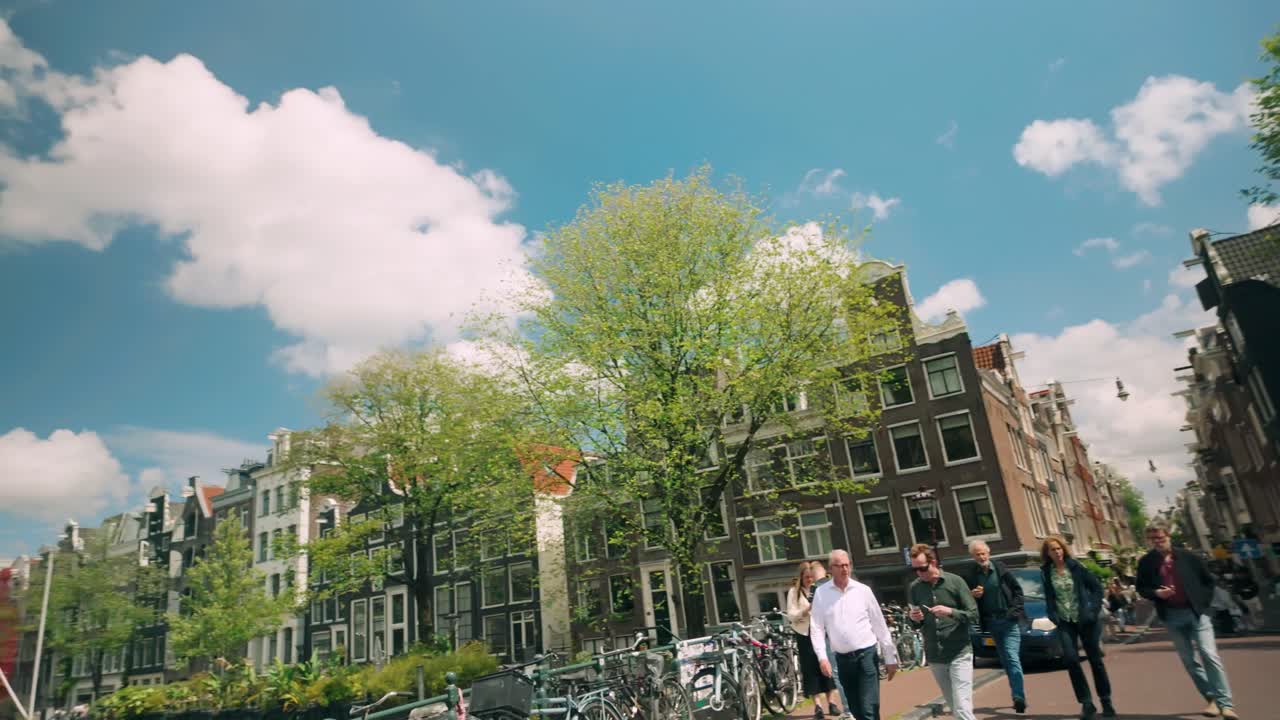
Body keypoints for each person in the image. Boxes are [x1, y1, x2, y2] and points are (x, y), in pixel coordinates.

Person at [1137, 523, 1237, 719]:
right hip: (1172, 616)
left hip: (1196, 614)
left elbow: (1208, 581)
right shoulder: (1146, 562)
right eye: (1153, 539)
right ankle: (1211, 698)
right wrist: (1156, 592)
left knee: (1209, 654)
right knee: (1189, 661)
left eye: (1161, 538)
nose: (1157, 542)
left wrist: (1203, 605)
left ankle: (1226, 704)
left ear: (1168, 536)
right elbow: (1142, 587)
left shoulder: (1189, 557)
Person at [809, 549, 898, 720]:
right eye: (839, 566)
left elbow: (879, 624)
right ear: (830, 569)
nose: (844, 569)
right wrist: (822, 657)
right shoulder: (821, 594)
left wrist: (890, 657)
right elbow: (817, 628)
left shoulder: (862, 590)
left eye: (846, 565)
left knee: (869, 709)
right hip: (842, 659)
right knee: (856, 709)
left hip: (866, 656)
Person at [1041, 536, 1113, 719]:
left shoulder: (1076, 567)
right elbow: (1050, 597)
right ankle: (1086, 703)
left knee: (1095, 660)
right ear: (1047, 553)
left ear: (1063, 549)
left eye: (1058, 548)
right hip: (1065, 621)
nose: (1057, 552)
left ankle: (1106, 701)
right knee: (1071, 660)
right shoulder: (1046, 572)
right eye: (1052, 550)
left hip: (1085, 620)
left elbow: (1097, 588)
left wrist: (1092, 610)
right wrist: (1052, 614)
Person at [908, 543, 978, 720]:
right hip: (935, 655)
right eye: (915, 569)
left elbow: (974, 615)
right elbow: (916, 624)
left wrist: (951, 612)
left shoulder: (955, 582)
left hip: (959, 652)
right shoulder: (914, 588)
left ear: (933, 562)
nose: (919, 573)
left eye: (922, 568)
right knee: (955, 706)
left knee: (962, 707)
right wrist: (914, 619)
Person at [958, 540, 1027, 714]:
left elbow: (1018, 591)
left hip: (1009, 621)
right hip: (991, 623)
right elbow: (964, 600)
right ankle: (1016, 694)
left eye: (983, 553)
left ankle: (1019, 697)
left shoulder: (1001, 569)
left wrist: (1014, 612)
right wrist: (973, 595)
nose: (981, 557)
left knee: (1012, 658)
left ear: (988, 553)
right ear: (972, 556)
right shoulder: (971, 575)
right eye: (977, 554)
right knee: (1005, 660)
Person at [787, 561, 845, 719]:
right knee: (810, 669)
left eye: (812, 577)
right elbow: (791, 616)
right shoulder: (794, 593)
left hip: (823, 632)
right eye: (806, 577)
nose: (809, 580)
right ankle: (818, 707)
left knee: (827, 666)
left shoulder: (821, 589)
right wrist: (806, 610)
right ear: (800, 577)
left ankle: (832, 703)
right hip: (805, 634)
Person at [811, 560, 852, 717]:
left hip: (829, 636)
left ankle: (849, 709)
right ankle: (857, 707)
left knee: (838, 673)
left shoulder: (816, 589)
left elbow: (814, 617)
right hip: (846, 634)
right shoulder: (837, 583)